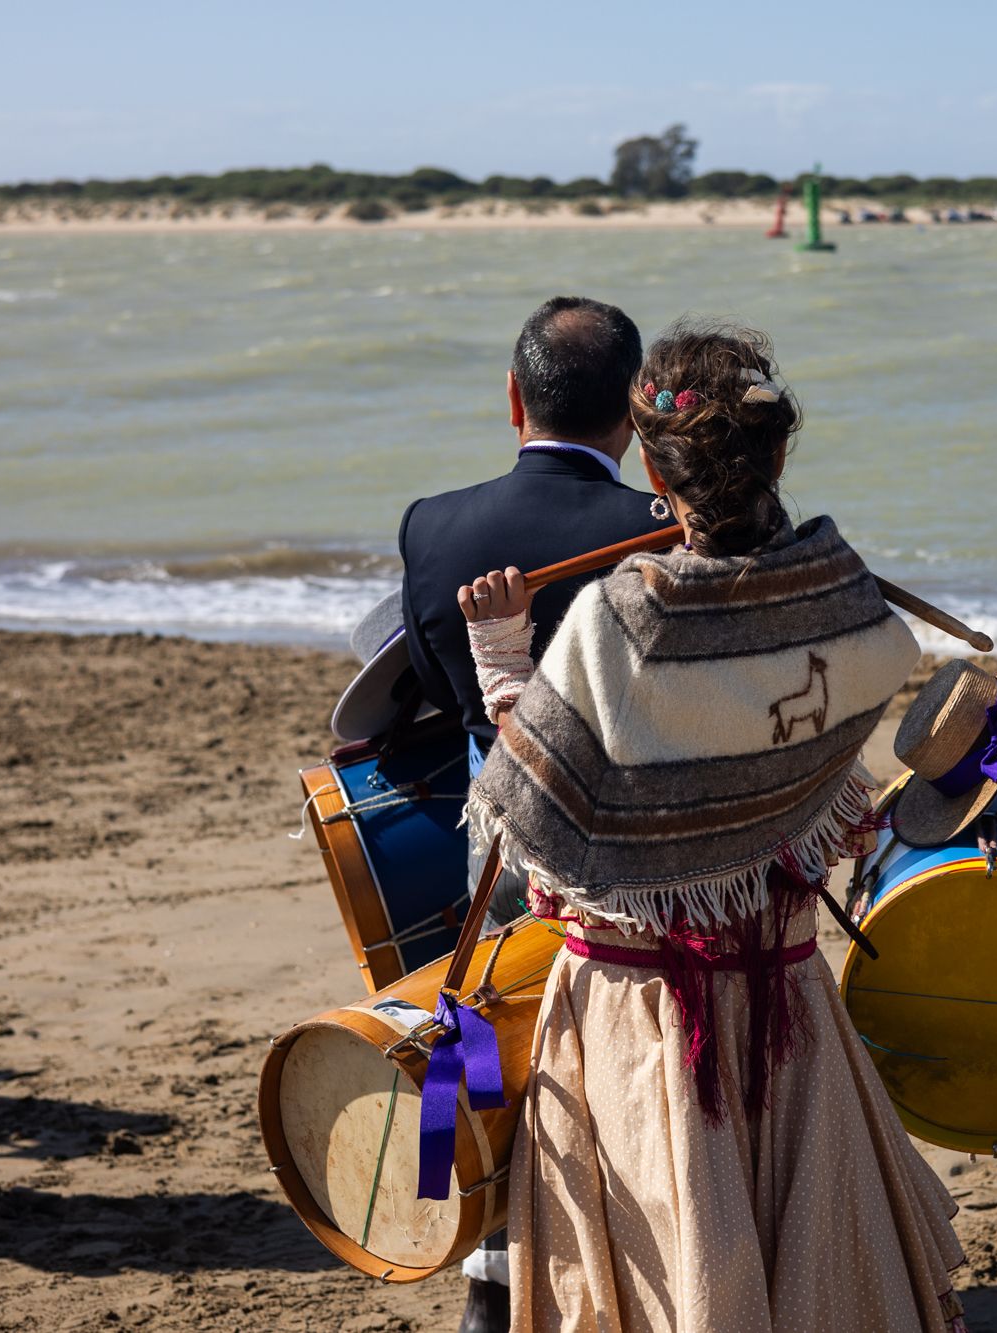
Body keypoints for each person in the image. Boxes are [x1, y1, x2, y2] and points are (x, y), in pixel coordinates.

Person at [458, 320, 968, 1332]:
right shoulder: (841, 600)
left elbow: (532, 802)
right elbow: (829, 731)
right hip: (781, 990)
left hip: (645, 1012)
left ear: (654, 463)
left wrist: (499, 658)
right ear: (777, 453)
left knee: (679, 1264)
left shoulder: (620, 619)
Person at [346, 294, 670, 1333]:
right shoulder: (663, 532)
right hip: (633, 857)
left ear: (512, 399)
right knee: (621, 1069)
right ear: (633, 411)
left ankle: (489, 1278)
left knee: (489, 1043)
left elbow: (426, 695)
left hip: (496, 841)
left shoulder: (433, 525)